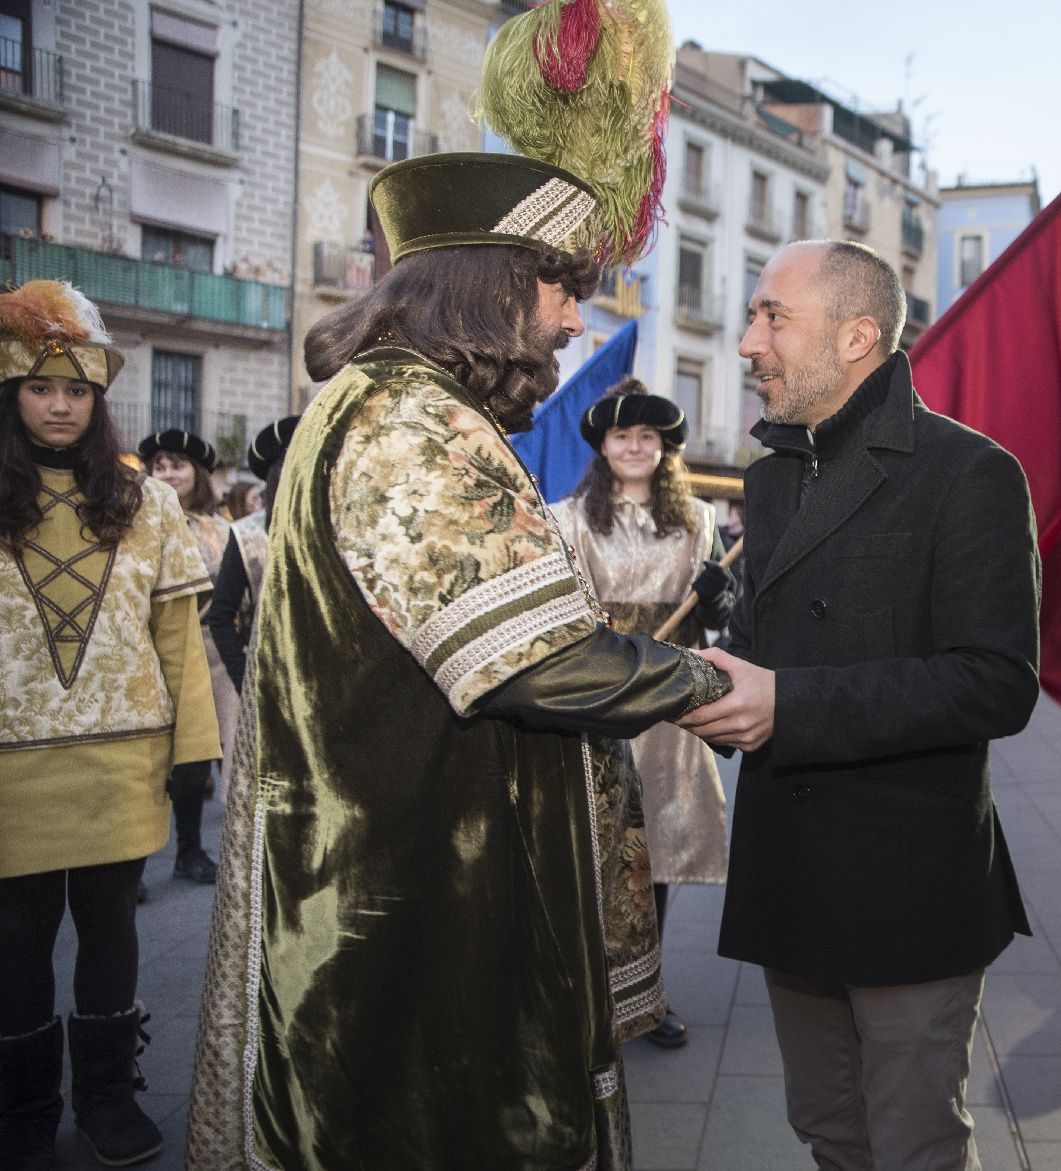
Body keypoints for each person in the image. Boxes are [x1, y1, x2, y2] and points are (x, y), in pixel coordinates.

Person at [184, 1, 726, 1166]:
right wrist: (705, 680)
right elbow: (532, 657)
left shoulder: (397, 404)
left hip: (419, 856)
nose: (574, 318)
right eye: (556, 287)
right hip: (406, 890)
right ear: (487, 286)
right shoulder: (406, 416)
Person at [678, 240, 1041, 1171]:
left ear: (857, 336)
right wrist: (708, 679)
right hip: (791, 871)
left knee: (912, 1143)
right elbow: (771, 644)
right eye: (754, 316)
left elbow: (996, 681)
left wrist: (786, 705)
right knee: (829, 1129)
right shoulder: (768, 476)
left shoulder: (970, 472)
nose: (749, 341)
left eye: (772, 317)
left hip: (904, 883)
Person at [0, 280, 221, 1169]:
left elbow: (178, 639)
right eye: (41, 387)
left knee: (111, 932)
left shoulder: (150, 504)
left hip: (122, 761)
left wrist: (193, 756)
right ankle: (21, 1110)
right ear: (10, 392)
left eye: (78, 390)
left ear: (99, 401)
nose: (60, 405)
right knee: (14, 941)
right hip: (11, 770)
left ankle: (106, 1097)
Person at [552, 381, 736, 1049]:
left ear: (664, 449)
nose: (634, 445)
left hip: (666, 701)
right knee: (593, 848)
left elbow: (720, 620)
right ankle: (584, 993)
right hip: (599, 699)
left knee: (654, 850)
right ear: (602, 447)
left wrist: (719, 600)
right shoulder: (567, 519)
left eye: (648, 437)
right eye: (621, 436)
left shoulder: (697, 523)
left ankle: (646, 994)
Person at [137, 428, 229, 883]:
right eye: (159, 466)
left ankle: (189, 852)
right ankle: (128, 868)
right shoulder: (134, 522)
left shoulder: (222, 531)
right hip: (152, 650)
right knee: (148, 760)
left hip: (209, 651)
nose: (169, 474)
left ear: (198, 473)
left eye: (179, 465)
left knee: (196, 759)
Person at [205, 415, 299, 694]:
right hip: (269, 679)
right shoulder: (248, 534)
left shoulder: (345, 532)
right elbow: (220, 616)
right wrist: (245, 680)